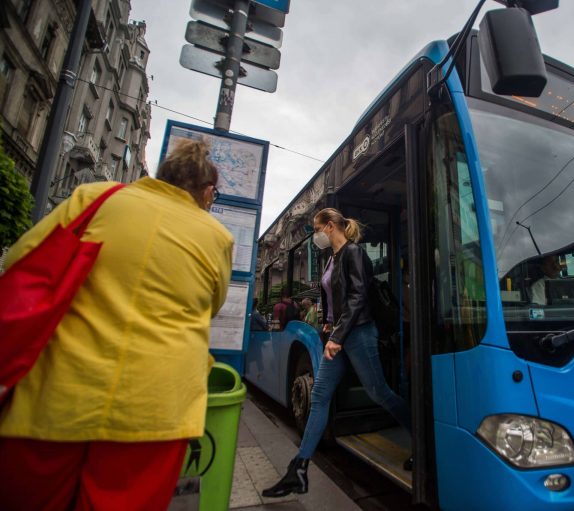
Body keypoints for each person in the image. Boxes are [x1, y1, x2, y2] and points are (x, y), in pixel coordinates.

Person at [0, 139, 234, 511]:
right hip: (156, 411)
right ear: (207, 192)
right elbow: (211, 305)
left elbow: (19, 261)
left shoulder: (95, 198)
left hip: (55, 397)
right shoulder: (217, 236)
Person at [262, 208, 411, 498]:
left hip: (359, 334)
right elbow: (336, 300)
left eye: (316, 229)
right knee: (319, 397)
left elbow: (358, 298)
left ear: (330, 227)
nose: (314, 236)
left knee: (379, 391)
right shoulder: (331, 258)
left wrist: (337, 335)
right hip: (339, 335)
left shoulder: (353, 252)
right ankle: (299, 470)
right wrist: (329, 325)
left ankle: (422, 438)